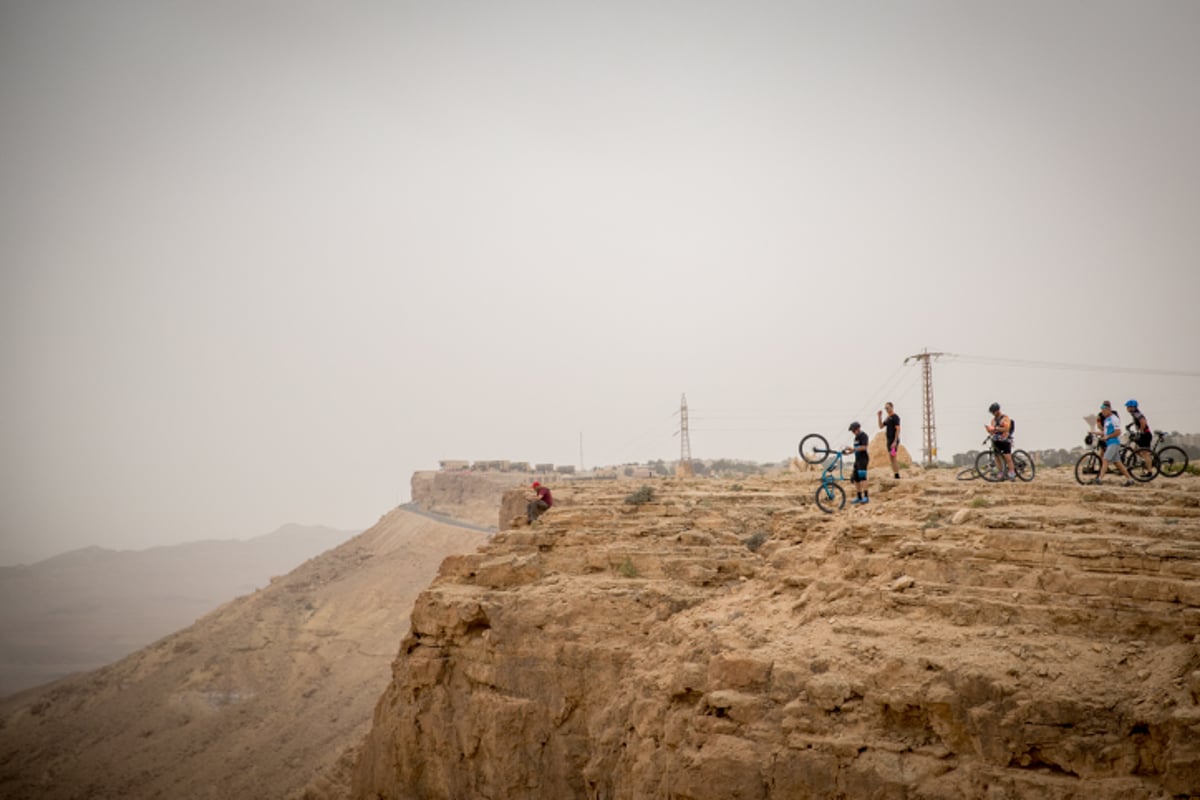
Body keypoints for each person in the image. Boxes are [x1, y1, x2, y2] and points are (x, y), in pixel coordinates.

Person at [1096, 405, 1134, 486]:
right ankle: (1130, 479)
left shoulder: (1114, 419)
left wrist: (1108, 437)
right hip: (1109, 443)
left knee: (1105, 459)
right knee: (1117, 463)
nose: (1102, 413)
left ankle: (1099, 479)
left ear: (1108, 410)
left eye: (1103, 411)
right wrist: (1095, 433)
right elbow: (1105, 433)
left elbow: (1118, 432)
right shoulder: (1106, 420)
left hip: (1114, 443)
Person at [984, 402, 1016, 480]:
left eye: (993, 411)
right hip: (996, 440)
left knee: (1007, 457)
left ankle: (1012, 473)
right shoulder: (993, 421)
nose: (993, 413)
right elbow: (993, 431)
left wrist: (995, 428)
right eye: (992, 412)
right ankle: (1001, 473)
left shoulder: (1005, 418)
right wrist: (989, 430)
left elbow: (1006, 428)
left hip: (1005, 439)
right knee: (997, 457)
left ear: (998, 410)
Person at [1124, 399, 1155, 474]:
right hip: (1144, 434)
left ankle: (1149, 471)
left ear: (1132, 407)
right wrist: (1130, 425)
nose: (1127, 409)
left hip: (1145, 435)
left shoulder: (1136, 413)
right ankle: (1147, 462)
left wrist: (1141, 431)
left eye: (1128, 407)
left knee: (1145, 453)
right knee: (1136, 450)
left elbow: (1143, 422)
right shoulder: (1135, 414)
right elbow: (1136, 421)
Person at [845, 421, 870, 505]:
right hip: (857, 459)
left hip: (863, 459)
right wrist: (849, 452)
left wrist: (854, 449)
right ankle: (859, 496)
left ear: (858, 428)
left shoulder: (863, 436)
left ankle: (866, 496)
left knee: (863, 478)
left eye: (853, 430)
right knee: (856, 478)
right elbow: (855, 449)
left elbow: (864, 447)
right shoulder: (856, 438)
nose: (853, 432)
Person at [877, 402, 901, 479]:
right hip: (889, 440)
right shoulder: (888, 418)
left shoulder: (895, 417)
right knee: (891, 457)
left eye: (887, 408)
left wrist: (895, 441)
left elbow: (898, 429)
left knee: (893, 456)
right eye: (885, 408)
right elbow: (881, 426)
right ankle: (895, 473)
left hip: (893, 440)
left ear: (892, 407)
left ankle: (897, 474)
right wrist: (879, 417)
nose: (886, 409)